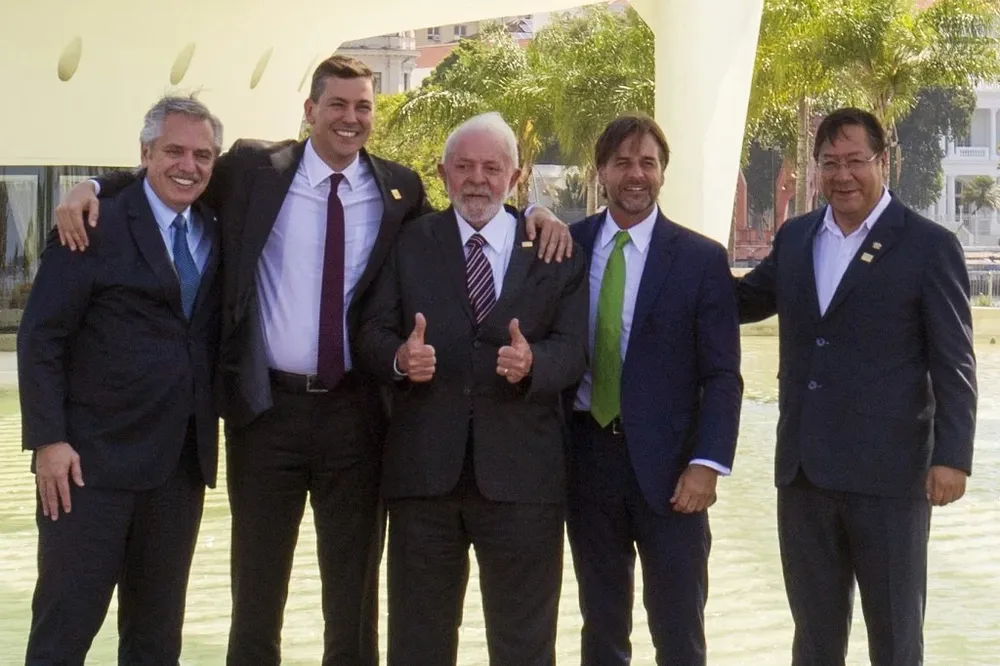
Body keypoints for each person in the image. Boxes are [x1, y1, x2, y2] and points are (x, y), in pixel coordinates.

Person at [54, 55, 571, 666]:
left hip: (356, 415)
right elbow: (175, 175)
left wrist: (537, 211)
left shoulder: (398, 189)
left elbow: (477, 214)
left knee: (352, 595)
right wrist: (92, 186)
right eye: (337, 105)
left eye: (363, 107)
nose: (350, 119)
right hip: (265, 411)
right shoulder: (252, 169)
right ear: (310, 111)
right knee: (257, 588)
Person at [737, 107, 977, 665]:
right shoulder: (797, 237)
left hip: (891, 480)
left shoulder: (928, 246)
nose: (842, 175)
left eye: (855, 161)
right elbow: (742, 301)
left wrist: (953, 457)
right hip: (803, 475)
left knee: (895, 641)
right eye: (830, 163)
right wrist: (676, 268)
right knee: (814, 640)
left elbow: (955, 365)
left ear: (883, 161)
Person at [356, 112, 588, 666]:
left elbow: (574, 351)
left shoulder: (554, 250)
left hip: (523, 481)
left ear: (516, 175)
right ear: (443, 172)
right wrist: (397, 357)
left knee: (525, 645)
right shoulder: (409, 242)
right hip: (423, 478)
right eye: (464, 167)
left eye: (491, 167)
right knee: (417, 642)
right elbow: (370, 331)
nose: (477, 179)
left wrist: (534, 364)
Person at [18, 95, 223, 664]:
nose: (188, 165)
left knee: (156, 640)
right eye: (174, 151)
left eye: (202, 154)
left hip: (178, 469)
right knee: (65, 629)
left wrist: (95, 181)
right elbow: (41, 337)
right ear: (145, 154)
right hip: (88, 467)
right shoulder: (93, 223)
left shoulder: (215, 222)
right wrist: (48, 442)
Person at [565, 114, 742, 666]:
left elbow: (722, 376)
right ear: (601, 172)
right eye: (622, 163)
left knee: (679, 627)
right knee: (601, 625)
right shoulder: (565, 247)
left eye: (647, 163)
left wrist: (707, 463)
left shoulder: (700, 259)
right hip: (586, 462)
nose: (635, 175)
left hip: (673, 473)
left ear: (663, 172)